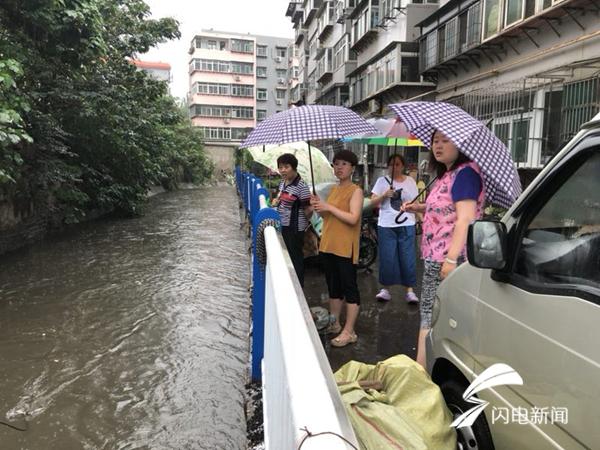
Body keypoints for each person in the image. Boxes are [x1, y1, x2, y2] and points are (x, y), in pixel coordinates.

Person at [402, 130, 485, 367]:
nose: (438, 146)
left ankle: (421, 373)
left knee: (431, 315)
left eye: (445, 140)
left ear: (460, 144)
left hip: (449, 260)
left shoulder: (466, 174)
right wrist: (417, 208)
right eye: (435, 141)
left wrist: (450, 261)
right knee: (434, 315)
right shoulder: (447, 175)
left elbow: (465, 219)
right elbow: (444, 211)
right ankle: (427, 368)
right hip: (436, 258)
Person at [311, 150, 364, 348]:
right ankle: (335, 324)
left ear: (352, 168)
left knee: (349, 288)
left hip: (345, 248)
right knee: (334, 288)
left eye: (344, 164)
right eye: (336, 164)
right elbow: (329, 218)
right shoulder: (334, 189)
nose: (339, 167)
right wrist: (319, 208)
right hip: (328, 245)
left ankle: (349, 331)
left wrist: (329, 208)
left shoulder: (355, 191)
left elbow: (353, 218)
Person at [370, 154, 419, 303]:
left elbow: (415, 203)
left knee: (407, 257)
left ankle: (410, 291)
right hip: (386, 225)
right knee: (387, 257)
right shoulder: (381, 181)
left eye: (397, 164)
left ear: (402, 166)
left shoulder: (411, 181)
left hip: (407, 224)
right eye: (391, 164)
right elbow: (372, 202)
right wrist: (384, 195)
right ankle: (385, 289)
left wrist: (421, 220)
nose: (394, 167)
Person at [271, 153, 312, 287]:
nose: (282, 170)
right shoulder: (283, 182)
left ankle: (298, 286)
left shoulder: (301, 186)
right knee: (285, 257)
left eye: (286, 167)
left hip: (295, 229)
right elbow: (281, 200)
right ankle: (287, 283)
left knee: (295, 259)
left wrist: (310, 214)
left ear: (294, 168)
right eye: (280, 167)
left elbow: (308, 210)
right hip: (283, 226)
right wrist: (276, 201)